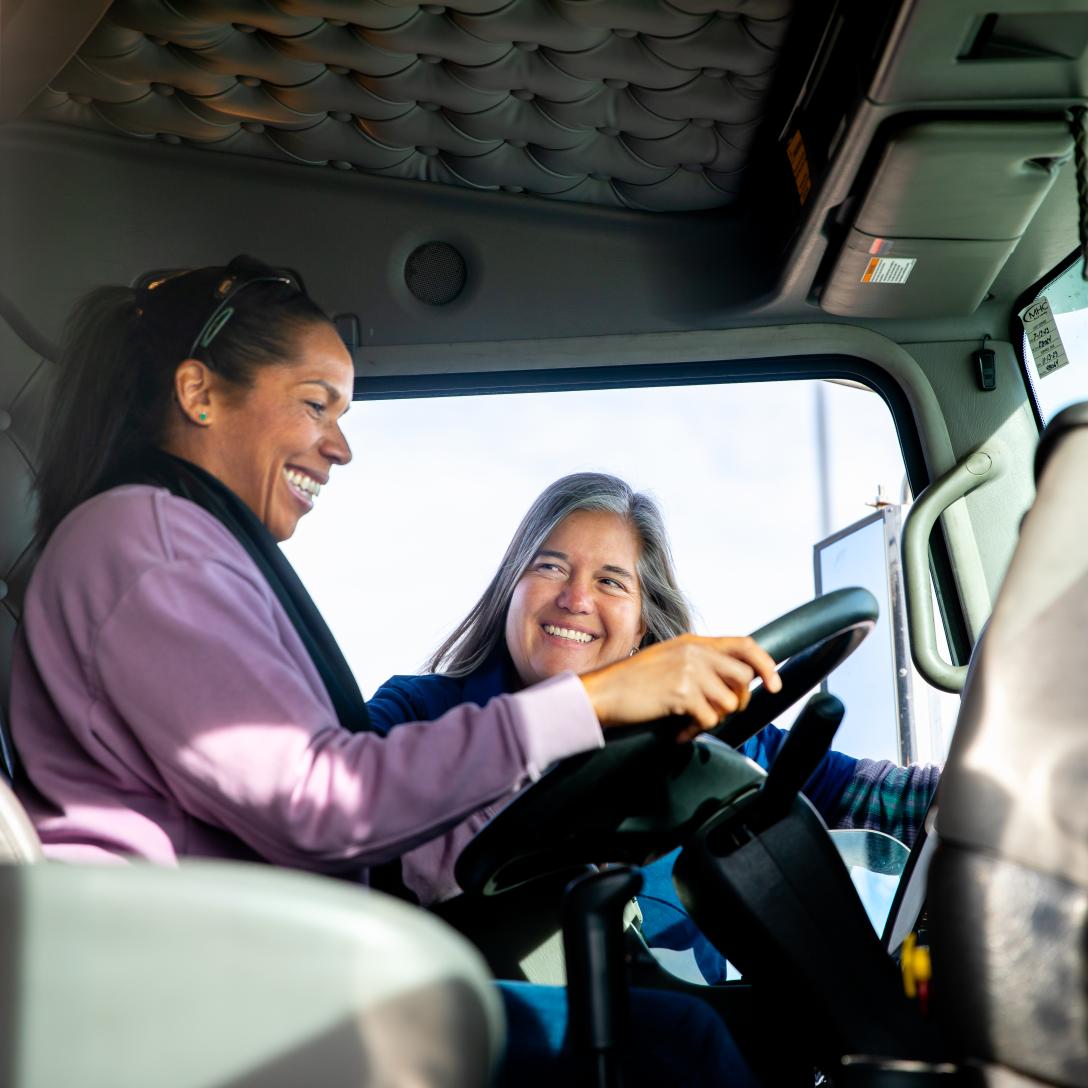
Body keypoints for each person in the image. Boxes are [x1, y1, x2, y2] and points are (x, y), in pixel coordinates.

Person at [8, 256, 777, 1086]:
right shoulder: (147, 551)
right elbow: (319, 800)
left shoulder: (186, 544)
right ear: (199, 393)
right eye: (316, 405)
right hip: (205, 990)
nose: (340, 446)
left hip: (252, 958)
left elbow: (309, 799)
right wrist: (591, 701)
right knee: (681, 1047)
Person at [367, 472, 942, 979]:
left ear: (643, 627)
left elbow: (880, 800)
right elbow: (340, 798)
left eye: (611, 582)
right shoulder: (419, 712)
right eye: (550, 567)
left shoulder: (701, 731)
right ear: (510, 590)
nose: (574, 598)